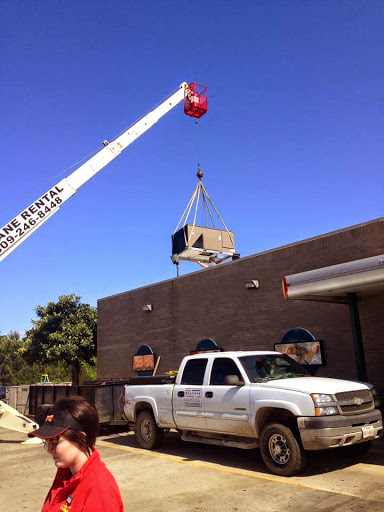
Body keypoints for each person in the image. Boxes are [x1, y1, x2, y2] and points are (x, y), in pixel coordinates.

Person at [28, 395, 124, 512]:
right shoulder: (66, 473)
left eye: (55, 441)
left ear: (81, 439)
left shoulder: (99, 494)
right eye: (48, 442)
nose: (49, 450)